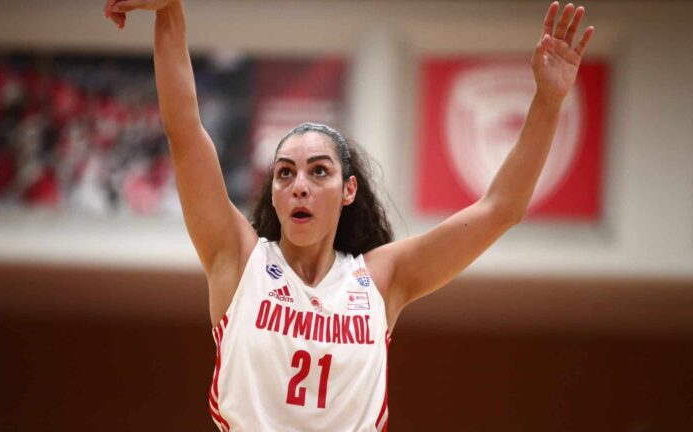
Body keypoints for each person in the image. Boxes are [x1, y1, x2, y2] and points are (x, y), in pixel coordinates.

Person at [103, 1, 594, 430]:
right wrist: (170, 11)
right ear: (274, 193)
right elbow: (185, 130)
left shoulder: (379, 281)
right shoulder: (239, 260)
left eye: (319, 172)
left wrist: (548, 101)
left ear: (348, 191)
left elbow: (500, 208)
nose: (300, 185)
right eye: (285, 173)